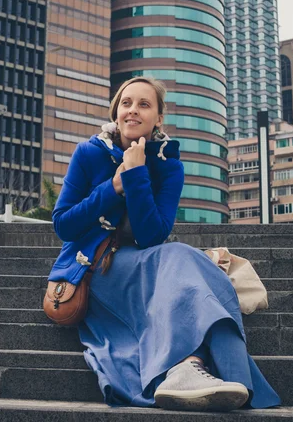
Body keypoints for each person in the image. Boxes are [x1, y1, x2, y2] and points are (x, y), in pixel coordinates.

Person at [50, 76, 281, 412]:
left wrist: (138, 173)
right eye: (126, 103)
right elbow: (63, 224)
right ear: (116, 112)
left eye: (144, 105)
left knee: (192, 263)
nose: (133, 111)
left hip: (145, 268)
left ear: (159, 118)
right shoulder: (88, 153)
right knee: (182, 257)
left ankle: (210, 374)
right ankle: (192, 367)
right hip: (95, 270)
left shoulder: (170, 166)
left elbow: (151, 235)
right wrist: (114, 185)